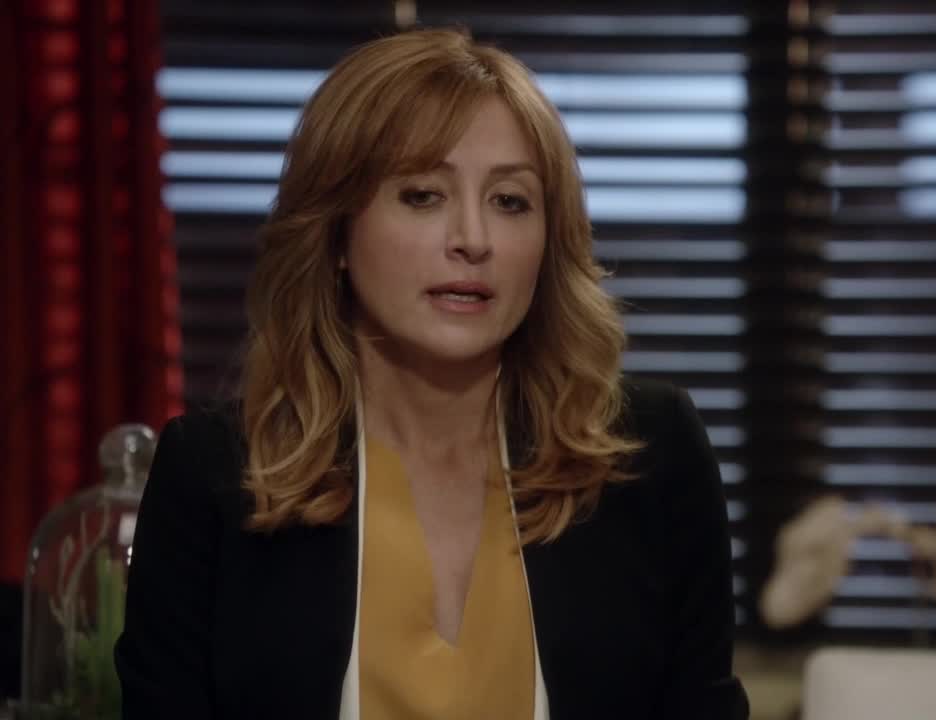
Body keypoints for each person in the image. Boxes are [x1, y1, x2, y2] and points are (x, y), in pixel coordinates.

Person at [114, 28, 749, 720]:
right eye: (423, 195)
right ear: (336, 235)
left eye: (510, 201)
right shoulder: (211, 477)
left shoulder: (651, 458)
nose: (472, 239)